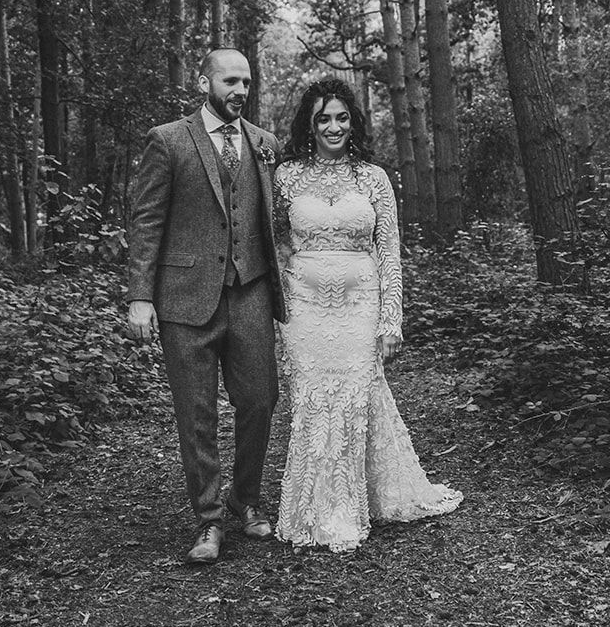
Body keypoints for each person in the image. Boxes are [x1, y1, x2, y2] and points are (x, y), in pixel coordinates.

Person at [271, 77, 462, 551]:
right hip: (304, 309)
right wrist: (278, 308)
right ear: (309, 125)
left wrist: (391, 318)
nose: (333, 126)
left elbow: (390, 251)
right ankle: (313, 509)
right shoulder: (286, 177)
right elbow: (275, 245)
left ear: (353, 121)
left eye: (341, 117)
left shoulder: (373, 178)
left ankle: (348, 508)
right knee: (312, 401)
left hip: (360, 305)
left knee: (355, 398)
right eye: (323, 119)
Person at [125, 48, 285, 564]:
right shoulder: (167, 140)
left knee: (260, 401)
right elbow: (147, 222)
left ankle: (246, 498)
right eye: (230, 80)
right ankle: (209, 519)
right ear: (205, 82)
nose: (240, 90)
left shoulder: (265, 144)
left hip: (252, 292)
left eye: (247, 82)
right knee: (195, 413)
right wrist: (140, 297)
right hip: (184, 299)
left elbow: (272, 223)